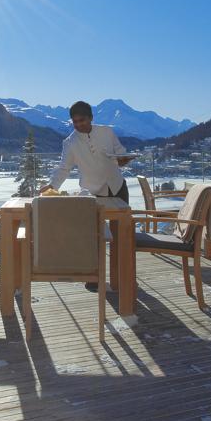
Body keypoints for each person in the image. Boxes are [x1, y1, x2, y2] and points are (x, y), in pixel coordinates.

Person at [40, 101, 133, 291]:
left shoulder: (107, 132)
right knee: (94, 237)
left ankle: (122, 278)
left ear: (91, 117)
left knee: (122, 237)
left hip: (117, 187)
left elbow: (121, 152)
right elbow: (63, 168)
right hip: (93, 193)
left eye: (81, 120)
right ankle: (93, 279)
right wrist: (51, 186)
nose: (78, 125)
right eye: (74, 122)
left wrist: (123, 160)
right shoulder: (70, 142)